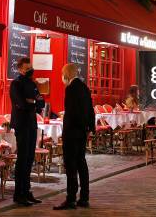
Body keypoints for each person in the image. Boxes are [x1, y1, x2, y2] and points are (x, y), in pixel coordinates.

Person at [54, 63, 95, 210]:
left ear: (67, 74)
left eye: (62, 74)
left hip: (72, 133)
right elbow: (91, 109)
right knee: (81, 164)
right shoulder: (84, 87)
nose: (62, 78)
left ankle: (71, 199)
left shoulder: (70, 89)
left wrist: (67, 129)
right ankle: (84, 197)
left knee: (71, 166)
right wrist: (90, 128)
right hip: (82, 132)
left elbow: (72, 113)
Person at [10, 57, 42, 206]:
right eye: (26, 68)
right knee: (22, 159)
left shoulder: (32, 83)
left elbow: (41, 102)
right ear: (20, 69)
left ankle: (27, 191)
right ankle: (18, 194)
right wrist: (32, 102)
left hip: (32, 124)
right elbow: (21, 103)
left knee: (30, 158)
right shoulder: (15, 84)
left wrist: (33, 102)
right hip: (21, 124)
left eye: (30, 67)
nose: (30, 70)